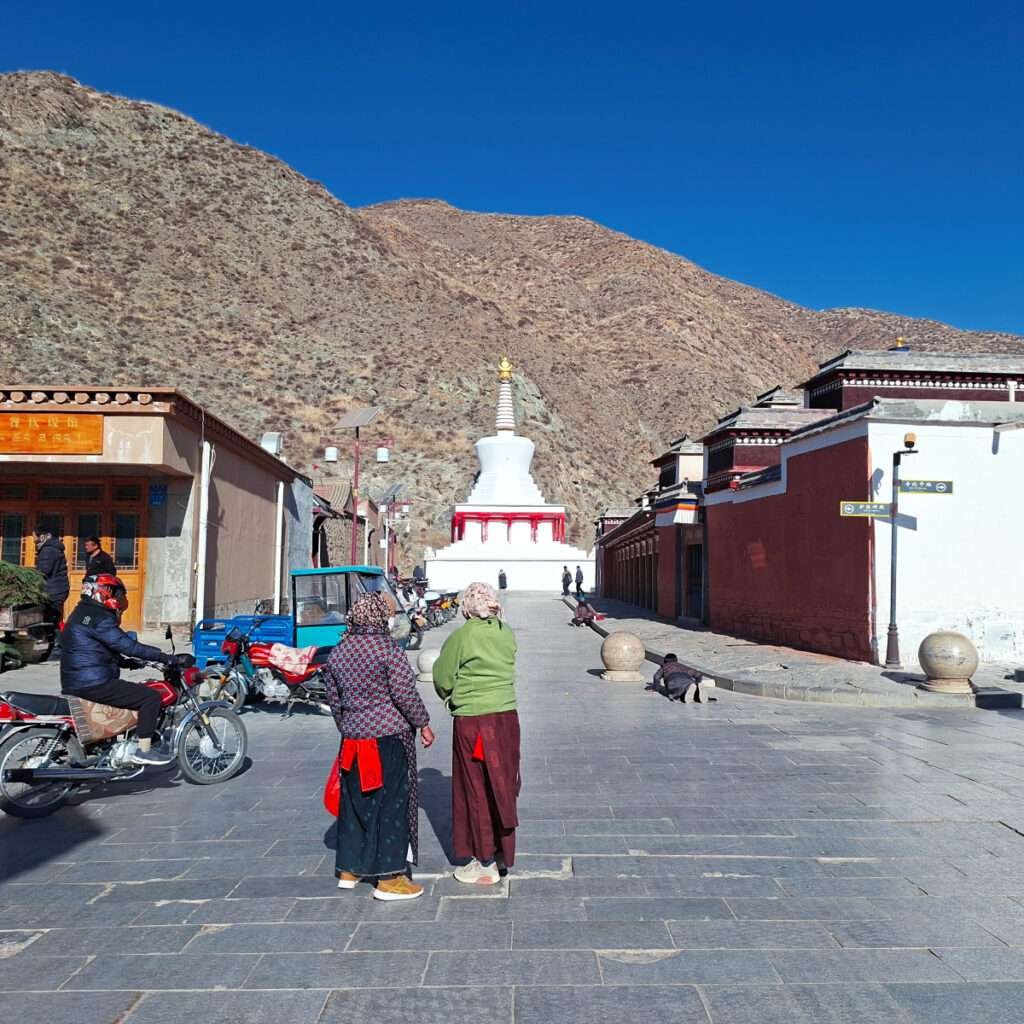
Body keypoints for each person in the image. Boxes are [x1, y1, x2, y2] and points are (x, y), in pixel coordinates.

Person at [324, 592, 435, 901]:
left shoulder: (339, 651)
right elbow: (404, 694)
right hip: (388, 739)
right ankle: (390, 878)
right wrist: (423, 722)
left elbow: (334, 701)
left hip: (354, 740)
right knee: (391, 805)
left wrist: (349, 728)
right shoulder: (387, 650)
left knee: (356, 802)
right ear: (377, 617)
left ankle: (350, 868)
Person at [433, 582, 519, 886]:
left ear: (467, 606)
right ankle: (501, 854)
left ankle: (482, 863)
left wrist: (451, 696)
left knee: (477, 788)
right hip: (507, 718)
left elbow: (443, 677)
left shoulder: (462, 636)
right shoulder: (505, 632)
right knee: (503, 785)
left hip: (474, 721)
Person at [61, 574, 182, 765]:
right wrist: (164, 657)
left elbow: (93, 651)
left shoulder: (81, 613)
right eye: (116, 593)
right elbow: (128, 646)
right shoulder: (99, 618)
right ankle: (144, 751)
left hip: (77, 681)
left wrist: (127, 663)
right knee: (150, 697)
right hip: (94, 684)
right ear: (104, 592)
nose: (118, 599)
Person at [33, 526, 70, 635]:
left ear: (42, 536)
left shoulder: (48, 550)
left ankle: (56, 647)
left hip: (54, 591)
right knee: (53, 621)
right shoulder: (50, 548)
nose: (33, 539)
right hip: (56, 589)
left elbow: (43, 571)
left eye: (35, 536)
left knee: (51, 623)